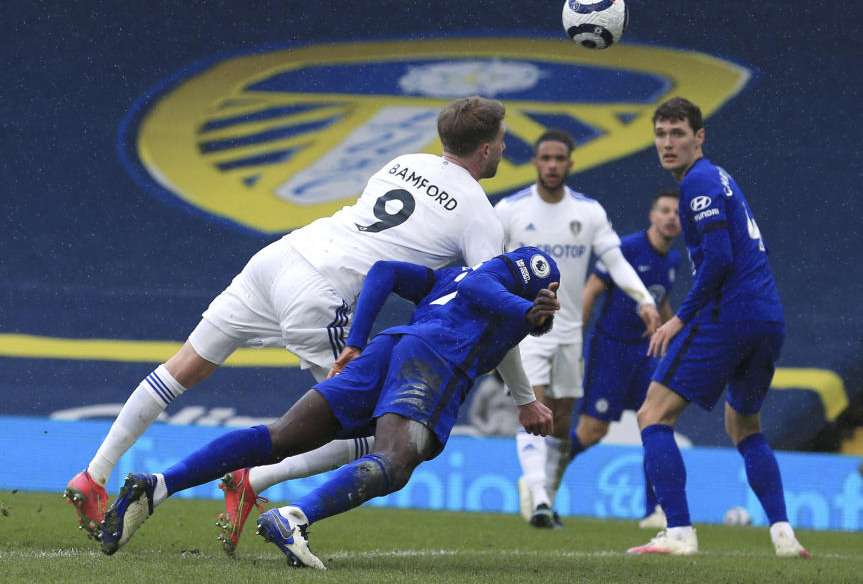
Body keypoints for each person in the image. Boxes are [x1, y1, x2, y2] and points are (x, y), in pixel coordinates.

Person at [64, 96, 551, 540]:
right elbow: (486, 309)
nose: (505, 149)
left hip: (283, 254)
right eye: (503, 142)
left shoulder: (405, 162)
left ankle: (95, 473)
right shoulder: (480, 216)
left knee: (185, 365)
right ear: (486, 150)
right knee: (365, 429)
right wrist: (525, 398)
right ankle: (253, 481)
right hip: (323, 292)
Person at [98, 247, 561, 568]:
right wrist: (526, 310)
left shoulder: (452, 283)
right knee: (397, 459)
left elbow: (384, 271)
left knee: (280, 437)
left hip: (386, 348)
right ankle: (292, 517)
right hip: (432, 360)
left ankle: (155, 486)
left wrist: (356, 341)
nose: (550, 306)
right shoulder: (501, 284)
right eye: (548, 295)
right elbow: (486, 286)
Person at [627, 97, 810, 558]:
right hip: (768, 317)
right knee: (744, 425)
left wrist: (680, 317)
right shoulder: (721, 177)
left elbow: (721, 259)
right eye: (661, 134)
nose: (667, 144)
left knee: (652, 414)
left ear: (699, 137)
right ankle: (783, 534)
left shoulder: (700, 181)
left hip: (730, 314)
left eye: (678, 134)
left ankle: (680, 532)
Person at [494, 129, 661, 528]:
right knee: (531, 409)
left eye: (559, 159)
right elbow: (487, 265)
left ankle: (544, 496)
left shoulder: (589, 213)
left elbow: (616, 261)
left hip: (569, 332)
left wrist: (645, 298)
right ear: (535, 162)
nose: (552, 165)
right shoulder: (509, 210)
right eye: (545, 158)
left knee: (562, 424)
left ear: (570, 163)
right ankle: (538, 499)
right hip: (526, 327)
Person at [562, 190, 682, 530]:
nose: (672, 216)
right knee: (592, 432)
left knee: (657, 422)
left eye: (677, 212)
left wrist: (672, 336)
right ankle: (542, 478)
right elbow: (591, 291)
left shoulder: (672, 260)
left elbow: (661, 304)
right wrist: (576, 340)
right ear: (652, 216)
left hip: (645, 353)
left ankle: (653, 511)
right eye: (665, 210)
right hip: (611, 351)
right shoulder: (627, 248)